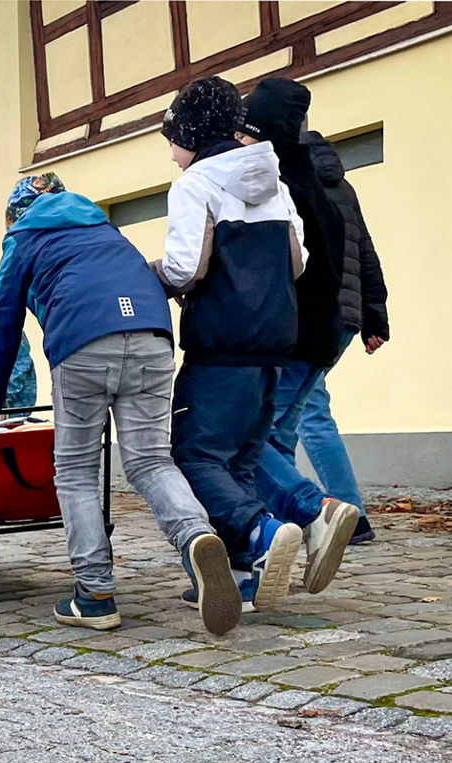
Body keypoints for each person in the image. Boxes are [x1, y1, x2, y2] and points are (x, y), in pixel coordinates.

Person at [0, 172, 240, 635]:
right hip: (154, 336)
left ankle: (94, 594)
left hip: (82, 344)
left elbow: (2, 319)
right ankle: (197, 536)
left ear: (15, 216)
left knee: (75, 470)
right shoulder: (107, 231)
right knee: (153, 461)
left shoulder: (24, 238)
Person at [153, 76, 307, 612]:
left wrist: (147, 277)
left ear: (190, 131)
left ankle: (261, 532)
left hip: (220, 345)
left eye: (171, 138)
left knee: (192, 456)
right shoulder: (274, 184)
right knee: (238, 463)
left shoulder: (196, 184)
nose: (171, 153)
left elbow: (185, 266)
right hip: (273, 345)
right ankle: (242, 578)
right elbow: (297, 261)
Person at [236, 79, 360, 593]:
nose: (237, 142)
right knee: (276, 445)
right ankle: (277, 553)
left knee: (241, 444)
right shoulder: (315, 180)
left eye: (245, 131)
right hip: (320, 338)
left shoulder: (276, 185)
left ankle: (316, 512)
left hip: (292, 340)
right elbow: (358, 260)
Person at [289, 131, 390, 544]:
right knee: (307, 411)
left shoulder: (291, 176)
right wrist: (374, 318)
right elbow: (365, 249)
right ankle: (343, 513)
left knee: (304, 414)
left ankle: (347, 516)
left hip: (311, 314)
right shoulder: (342, 183)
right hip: (345, 315)